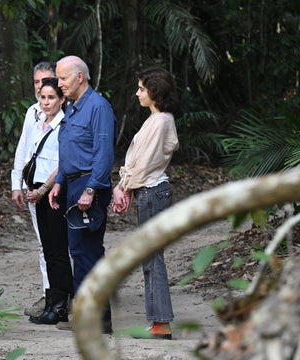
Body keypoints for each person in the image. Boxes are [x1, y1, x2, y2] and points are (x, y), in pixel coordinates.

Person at [48, 55, 117, 332]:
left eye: (63, 78)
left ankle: (98, 320)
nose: (59, 83)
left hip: (90, 186)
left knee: (88, 253)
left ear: (79, 77)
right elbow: (70, 149)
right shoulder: (74, 108)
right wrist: (59, 182)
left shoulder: (98, 107)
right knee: (78, 251)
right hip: (73, 185)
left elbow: (104, 154)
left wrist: (90, 189)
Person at [111, 66, 179, 340]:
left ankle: (161, 323)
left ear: (154, 92)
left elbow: (145, 163)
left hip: (153, 192)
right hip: (150, 192)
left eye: (141, 88)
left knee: (152, 258)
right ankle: (158, 321)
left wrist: (123, 187)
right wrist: (126, 185)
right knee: (150, 257)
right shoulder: (156, 120)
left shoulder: (161, 121)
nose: (137, 93)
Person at [25, 77, 73, 325]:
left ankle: (60, 305)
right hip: (37, 191)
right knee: (47, 249)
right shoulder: (38, 123)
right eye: (42, 97)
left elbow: (62, 162)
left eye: (51, 97)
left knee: (57, 250)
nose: (45, 102)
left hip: (54, 192)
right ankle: (53, 303)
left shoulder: (65, 125)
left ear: (62, 99)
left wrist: (43, 189)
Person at [10, 61, 55, 317]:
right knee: (42, 243)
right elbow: (23, 149)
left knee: (63, 244)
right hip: (33, 186)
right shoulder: (32, 112)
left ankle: (65, 293)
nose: (40, 87)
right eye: (37, 82)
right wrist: (16, 183)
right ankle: (49, 293)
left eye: (46, 81)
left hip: (57, 186)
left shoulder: (66, 111)